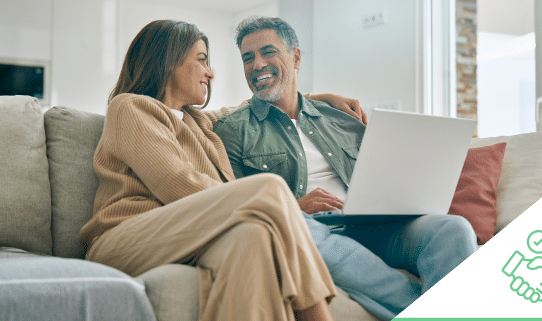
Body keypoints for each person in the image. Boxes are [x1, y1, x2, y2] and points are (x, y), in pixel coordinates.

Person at [78, 19, 367, 321]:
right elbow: (176, 184)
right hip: (127, 237)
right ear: (168, 62)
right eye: (202, 60)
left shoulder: (197, 122)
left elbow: (257, 104)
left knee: (253, 236)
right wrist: (273, 204)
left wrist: (320, 100)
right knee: (270, 188)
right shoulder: (130, 107)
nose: (211, 72)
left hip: (188, 234)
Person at [213, 16, 479, 320]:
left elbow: (381, 172)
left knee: (453, 228)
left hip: (372, 224)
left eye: (267, 52)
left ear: (296, 56)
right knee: (300, 231)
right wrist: (294, 207)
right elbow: (234, 204)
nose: (257, 64)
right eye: (248, 58)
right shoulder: (232, 130)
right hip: (306, 228)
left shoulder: (340, 116)